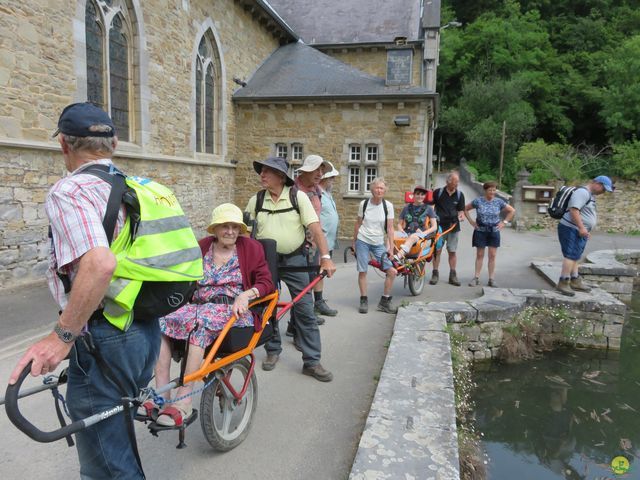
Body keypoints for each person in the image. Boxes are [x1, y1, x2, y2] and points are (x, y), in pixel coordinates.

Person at [8, 102, 160, 478]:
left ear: (64, 145)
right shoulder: (140, 188)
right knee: (117, 437)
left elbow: (99, 264)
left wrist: (61, 337)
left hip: (104, 336)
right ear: (115, 143)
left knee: (105, 466)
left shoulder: (70, 191)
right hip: (145, 332)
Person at [141, 203, 274, 426]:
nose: (230, 231)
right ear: (214, 229)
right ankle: (162, 395)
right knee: (161, 321)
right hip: (199, 304)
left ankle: (183, 401)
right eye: (224, 226)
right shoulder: (202, 246)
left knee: (200, 326)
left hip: (233, 308)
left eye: (234, 226)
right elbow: (183, 275)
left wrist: (246, 295)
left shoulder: (251, 248)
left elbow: (266, 282)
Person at [246, 156, 336, 382]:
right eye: (262, 171)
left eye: (267, 171)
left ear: (280, 176)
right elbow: (245, 234)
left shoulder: (299, 198)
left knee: (305, 309)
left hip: (296, 260)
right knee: (268, 308)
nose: (262, 175)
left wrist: (325, 257)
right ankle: (273, 350)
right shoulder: (256, 200)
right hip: (265, 262)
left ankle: (312, 361)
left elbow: (315, 228)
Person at [555, 176, 614, 296]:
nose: (603, 192)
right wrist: (582, 227)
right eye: (603, 189)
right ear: (597, 183)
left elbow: (584, 212)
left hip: (578, 229)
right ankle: (563, 282)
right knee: (570, 255)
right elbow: (574, 211)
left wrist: (586, 228)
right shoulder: (582, 192)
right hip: (571, 228)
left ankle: (575, 280)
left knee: (575, 255)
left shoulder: (589, 194)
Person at [353, 177, 398, 314]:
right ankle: (363, 299)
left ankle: (384, 301)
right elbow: (358, 223)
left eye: (382, 188)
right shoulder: (364, 204)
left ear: (385, 190)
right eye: (377, 187)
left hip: (378, 243)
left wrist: (390, 248)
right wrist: (354, 242)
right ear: (372, 189)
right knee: (363, 270)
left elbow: (390, 229)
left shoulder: (388, 206)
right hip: (363, 240)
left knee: (392, 271)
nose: (379, 190)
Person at [464, 181, 516, 287]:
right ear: (485, 190)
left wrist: (504, 223)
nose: (492, 192)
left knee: (492, 255)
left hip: (494, 231)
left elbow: (512, 211)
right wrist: (471, 222)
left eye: (494, 190)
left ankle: (491, 279)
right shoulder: (478, 201)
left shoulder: (499, 202)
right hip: (480, 230)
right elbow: (465, 209)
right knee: (480, 255)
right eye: (490, 190)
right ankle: (476, 278)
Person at [430, 172, 466, 286]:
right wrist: (431, 220)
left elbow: (461, 210)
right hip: (439, 227)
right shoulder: (438, 192)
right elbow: (431, 207)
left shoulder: (460, 195)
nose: (457, 184)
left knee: (452, 251)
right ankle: (435, 274)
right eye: (455, 181)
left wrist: (461, 216)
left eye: (457, 181)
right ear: (448, 181)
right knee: (437, 251)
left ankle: (453, 276)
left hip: (453, 227)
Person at [393, 185, 438, 262]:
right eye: (417, 194)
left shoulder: (429, 208)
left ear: (425, 196)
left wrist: (424, 233)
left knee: (413, 236)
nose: (420, 196)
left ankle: (399, 256)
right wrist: (401, 230)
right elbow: (399, 224)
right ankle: (388, 254)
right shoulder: (406, 208)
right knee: (392, 234)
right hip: (406, 233)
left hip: (421, 235)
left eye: (422, 194)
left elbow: (434, 227)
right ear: (413, 195)